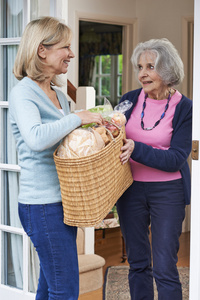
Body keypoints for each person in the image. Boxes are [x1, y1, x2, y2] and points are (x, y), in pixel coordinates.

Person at [9, 16, 103, 300]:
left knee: (50, 286)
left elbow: (66, 141)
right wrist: (77, 118)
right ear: (42, 50)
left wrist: (97, 132)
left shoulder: (60, 96)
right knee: (65, 290)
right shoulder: (23, 93)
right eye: (65, 47)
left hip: (64, 202)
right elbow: (37, 138)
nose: (71, 54)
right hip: (41, 206)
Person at [117, 38, 192, 300]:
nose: (142, 74)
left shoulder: (186, 108)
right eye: (140, 67)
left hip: (168, 192)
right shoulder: (128, 101)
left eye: (150, 66)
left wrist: (136, 148)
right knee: (137, 263)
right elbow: (113, 140)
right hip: (130, 190)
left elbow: (175, 159)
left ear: (168, 70)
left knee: (164, 267)